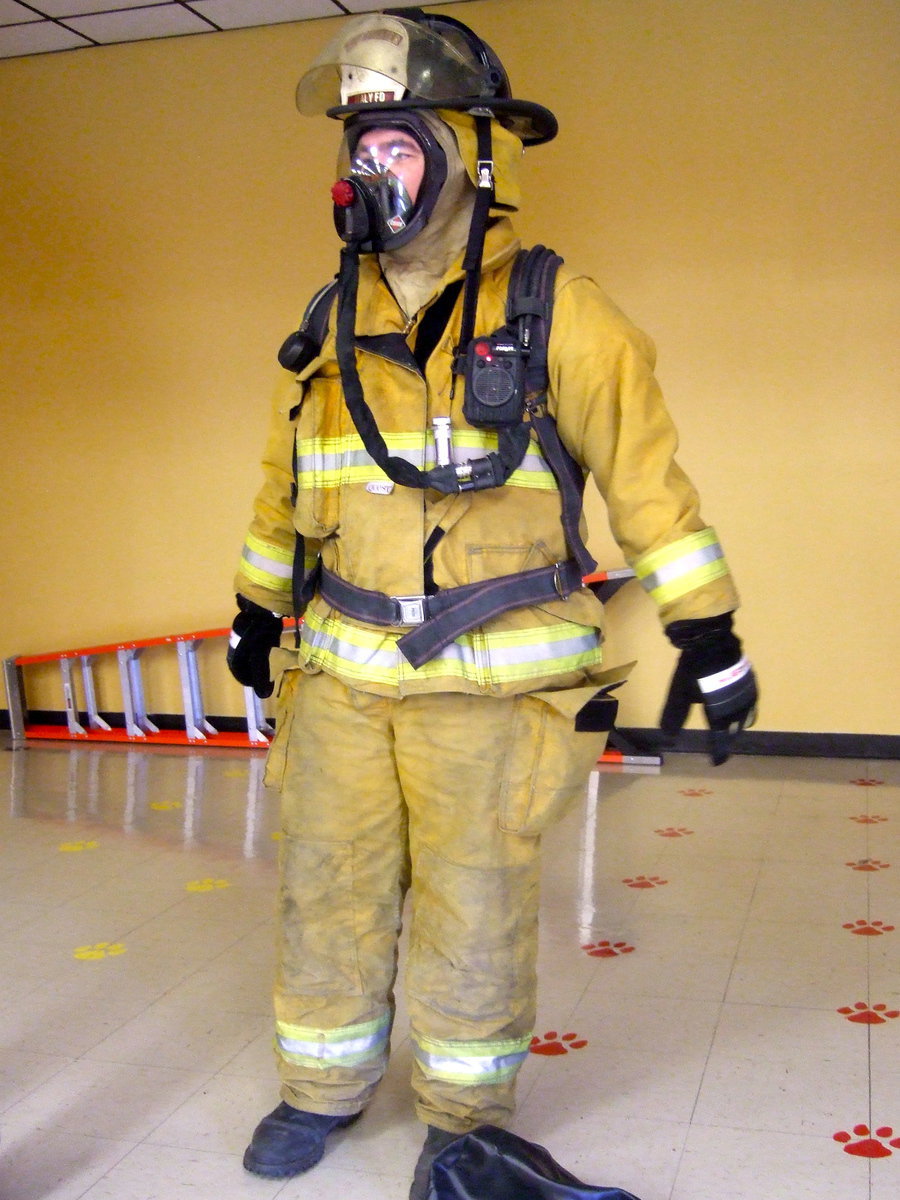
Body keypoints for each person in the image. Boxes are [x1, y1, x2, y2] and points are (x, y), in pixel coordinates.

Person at [227, 8, 758, 1198]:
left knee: (475, 910)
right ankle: (321, 1086)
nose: (369, 170)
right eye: (358, 145)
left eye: (398, 143)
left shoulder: (562, 313)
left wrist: (707, 628)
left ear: (472, 156)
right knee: (327, 889)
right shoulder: (330, 322)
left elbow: (646, 481)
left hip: (497, 687)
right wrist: (257, 611)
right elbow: (284, 489)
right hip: (344, 679)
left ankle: (462, 1117)